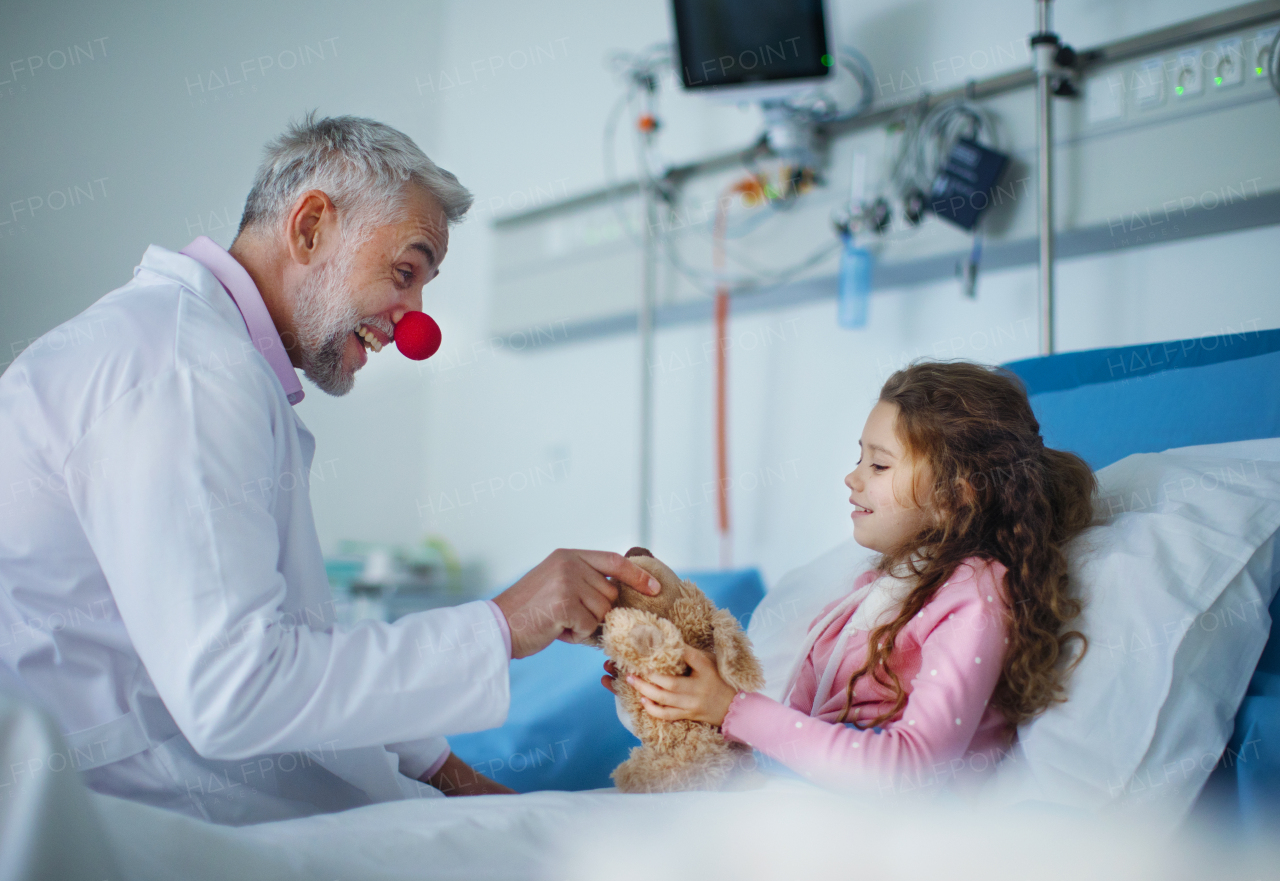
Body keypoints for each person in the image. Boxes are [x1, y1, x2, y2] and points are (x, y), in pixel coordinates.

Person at [0, 113, 660, 825]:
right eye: (405, 272)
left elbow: (294, 643)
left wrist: (456, 779)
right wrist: (502, 623)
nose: (414, 323)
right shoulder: (186, 371)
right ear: (310, 226)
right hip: (134, 811)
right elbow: (237, 691)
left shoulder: (200, 356)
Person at [609, 361, 1096, 794]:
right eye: (860, 458)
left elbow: (910, 768)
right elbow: (793, 746)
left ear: (957, 495)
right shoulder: (873, 596)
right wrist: (686, 698)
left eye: (879, 464)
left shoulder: (977, 596)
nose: (852, 477)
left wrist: (731, 709)